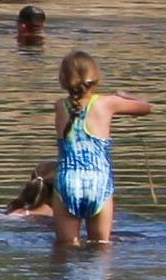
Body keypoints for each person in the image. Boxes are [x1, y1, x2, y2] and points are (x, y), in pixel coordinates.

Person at [46, 47, 146, 250]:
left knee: (65, 247)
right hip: (99, 181)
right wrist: (124, 96)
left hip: (68, 181)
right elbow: (146, 107)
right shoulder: (108, 103)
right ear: (96, 78)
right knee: (101, 247)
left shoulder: (59, 106)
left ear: (63, 80)